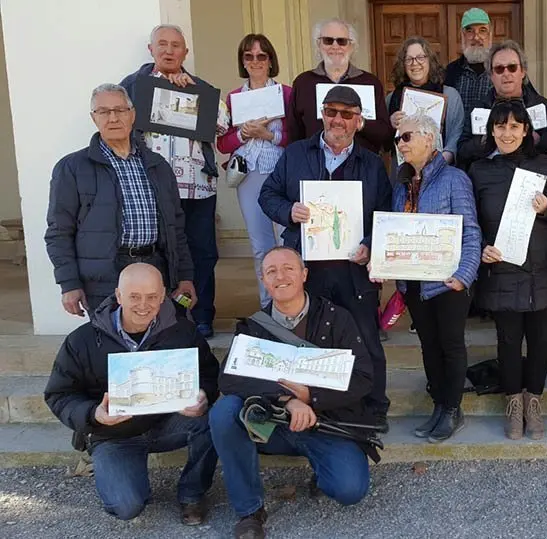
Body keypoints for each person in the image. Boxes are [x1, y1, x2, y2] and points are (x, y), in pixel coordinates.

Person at [209, 247, 377, 539]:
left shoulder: (338, 318)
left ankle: (323, 470)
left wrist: (311, 397)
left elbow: (362, 377)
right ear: (263, 280)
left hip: (328, 424)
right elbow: (229, 380)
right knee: (224, 413)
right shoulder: (253, 328)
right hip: (273, 426)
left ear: (304, 274)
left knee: (350, 490)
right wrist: (288, 400)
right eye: (271, 271)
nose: (280, 276)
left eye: (288, 268)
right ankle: (249, 510)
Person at [259, 85, 393, 430]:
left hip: (353, 267)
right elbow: (267, 195)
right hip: (307, 267)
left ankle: (374, 408)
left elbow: (384, 213)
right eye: (331, 112)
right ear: (322, 114)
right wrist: (289, 210)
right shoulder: (295, 154)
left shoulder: (373, 163)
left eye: (347, 114)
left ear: (358, 121)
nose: (338, 120)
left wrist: (368, 242)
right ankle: (319, 403)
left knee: (364, 338)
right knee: (310, 339)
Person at [44, 263, 220, 523]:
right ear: (118, 296)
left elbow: (208, 373)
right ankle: (125, 477)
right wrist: (94, 414)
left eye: (152, 297)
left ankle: (192, 494)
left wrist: (203, 395)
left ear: (162, 296)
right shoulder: (82, 340)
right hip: (113, 434)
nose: (143, 305)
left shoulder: (183, 332)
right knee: (126, 507)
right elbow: (59, 395)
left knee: (216, 420)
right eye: (134, 296)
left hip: (167, 422)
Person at [45, 83, 195, 315]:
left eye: (120, 110)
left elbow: (176, 227)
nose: (113, 118)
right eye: (104, 111)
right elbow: (59, 231)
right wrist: (69, 283)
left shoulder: (158, 165)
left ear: (132, 115)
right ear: (94, 118)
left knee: (162, 342)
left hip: (156, 269)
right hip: (104, 278)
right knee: (111, 344)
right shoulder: (72, 168)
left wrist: (184, 276)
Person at [375, 114, 480, 442]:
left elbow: (471, 231)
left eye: (406, 137)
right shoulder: (402, 182)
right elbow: (395, 231)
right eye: (398, 139)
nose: (400, 144)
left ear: (429, 139)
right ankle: (439, 405)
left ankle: (452, 408)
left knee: (450, 344)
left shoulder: (454, 179)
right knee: (429, 346)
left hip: (448, 282)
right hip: (414, 282)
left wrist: (464, 274)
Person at [120, 24, 230, 338]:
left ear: (185, 52)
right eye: (163, 44)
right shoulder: (133, 85)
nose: (169, 51)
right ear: (151, 49)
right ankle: (163, 316)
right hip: (151, 188)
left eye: (176, 45)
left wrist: (190, 91)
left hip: (198, 188)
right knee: (157, 253)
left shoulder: (199, 86)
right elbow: (118, 123)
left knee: (202, 253)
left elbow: (223, 125)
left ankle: (201, 315)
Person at [469, 100, 547, 440]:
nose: (507, 133)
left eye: (514, 126)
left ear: (526, 131)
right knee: (508, 340)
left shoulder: (544, 166)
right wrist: (481, 246)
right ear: (491, 131)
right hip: (501, 267)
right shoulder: (480, 170)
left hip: (542, 267)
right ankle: (513, 403)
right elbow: (471, 220)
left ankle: (534, 401)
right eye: (500, 126)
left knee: (541, 340)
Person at [217, 34, 292, 310]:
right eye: (249, 56)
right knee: (261, 244)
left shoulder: (286, 93)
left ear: (270, 60)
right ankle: (268, 306)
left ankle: (292, 302)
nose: (255, 61)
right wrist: (242, 135)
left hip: (281, 173)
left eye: (262, 56)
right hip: (249, 176)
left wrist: (268, 136)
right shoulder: (234, 97)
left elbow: (298, 138)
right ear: (242, 61)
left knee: (288, 241)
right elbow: (222, 144)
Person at [286, 18, 390, 152]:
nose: (335, 46)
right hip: (315, 168)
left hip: (361, 166)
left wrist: (361, 123)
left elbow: (385, 136)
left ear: (351, 46)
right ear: (319, 44)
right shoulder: (303, 82)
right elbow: (294, 134)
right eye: (328, 41)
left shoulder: (370, 82)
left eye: (342, 41)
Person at [457, 40, 547, 172]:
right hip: (489, 179)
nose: (506, 74)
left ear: (523, 72)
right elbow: (462, 152)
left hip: (531, 177)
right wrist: (485, 140)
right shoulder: (478, 109)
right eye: (499, 69)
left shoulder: (543, 106)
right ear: (491, 76)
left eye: (512, 67)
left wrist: (537, 140)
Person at [386, 36, 465, 166]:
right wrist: (390, 124)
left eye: (421, 57)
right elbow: (385, 142)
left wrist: (442, 161)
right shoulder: (392, 99)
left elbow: (456, 135)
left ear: (430, 61)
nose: (415, 63)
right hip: (403, 171)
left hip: (441, 168)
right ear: (403, 64)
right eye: (409, 59)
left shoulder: (450, 96)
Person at [444, 7, 494, 118]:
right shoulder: (451, 71)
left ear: (490, 35)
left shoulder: (503, 69)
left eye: (482, 30)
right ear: (462, 35)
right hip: (458, 135)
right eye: (470, 31)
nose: (476, 37)